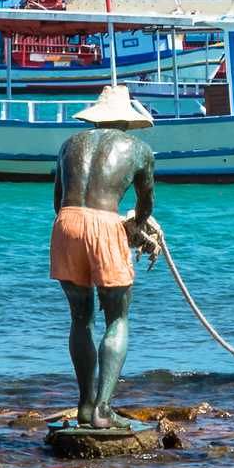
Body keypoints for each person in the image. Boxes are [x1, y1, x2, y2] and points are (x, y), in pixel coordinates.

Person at [50, 84, 163, 431]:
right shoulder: (139, 149)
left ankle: (84, 405)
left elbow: (57, 198)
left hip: (66, 223)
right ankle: (102, 408)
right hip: (105, 225)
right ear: (128, 121)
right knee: (118, 316)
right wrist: (138, 227)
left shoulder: (69, 145)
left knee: (80, 318)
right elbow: (146, 204)